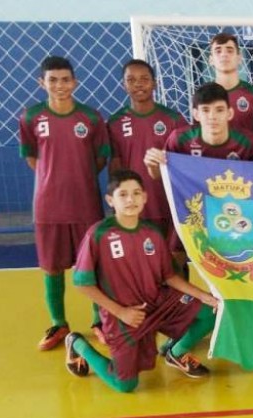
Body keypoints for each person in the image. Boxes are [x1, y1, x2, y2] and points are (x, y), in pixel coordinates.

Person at [65, 169, 219, 392]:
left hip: (158, 303)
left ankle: (175, 354)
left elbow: (169, 276)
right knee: (125, 385)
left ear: (145, 197)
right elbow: (82, 283)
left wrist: (205, 296)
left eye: (136, 193)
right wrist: (120, 312)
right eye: (123, 194)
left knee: (210, 312)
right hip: (125, 316)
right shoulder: (98, 234)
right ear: (110, 200)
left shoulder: (152, 233)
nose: (130, 199)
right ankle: (77, 343)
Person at [18, 56, 110, 350]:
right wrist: (53, 178)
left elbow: (100, 158)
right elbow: (32, 157)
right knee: (51, 268)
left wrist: (78, 178)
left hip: (86, 204)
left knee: (94, 266)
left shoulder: (91, 118)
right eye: (53, 80)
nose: (60, 85)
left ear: (75, 82)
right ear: (41, 83)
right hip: (48, 207)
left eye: (65, 79)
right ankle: (59, 323)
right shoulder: (31, 117)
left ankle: (100, 321)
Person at [108, 59, 188, 299]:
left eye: (144, 79)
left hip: (168, 204)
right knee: (141, 261)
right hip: (136, 208)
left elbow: (184, 164)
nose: (138, 84)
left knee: (175, 258)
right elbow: (115, 166)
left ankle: (182, 308)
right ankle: (148, 306)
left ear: (154, 83)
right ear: (124, 85)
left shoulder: (173, 120)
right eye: (131, 80)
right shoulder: (115, 123)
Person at [144, 82, 253, 180]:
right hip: (194, 205)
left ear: (229, 113)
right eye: (205, 110)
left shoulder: (250, 143)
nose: (212, 116)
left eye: (219, 110)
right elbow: (160, 175)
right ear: (196, 114)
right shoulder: (179, 139)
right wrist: (152, 165)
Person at [208, 32, 253, 150]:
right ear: (211, 60)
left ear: (239, 58)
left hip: (246, 164)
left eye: (230, 50)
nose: (224, 55)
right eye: (218, 51)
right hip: (214, 164)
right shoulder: (203, 95)